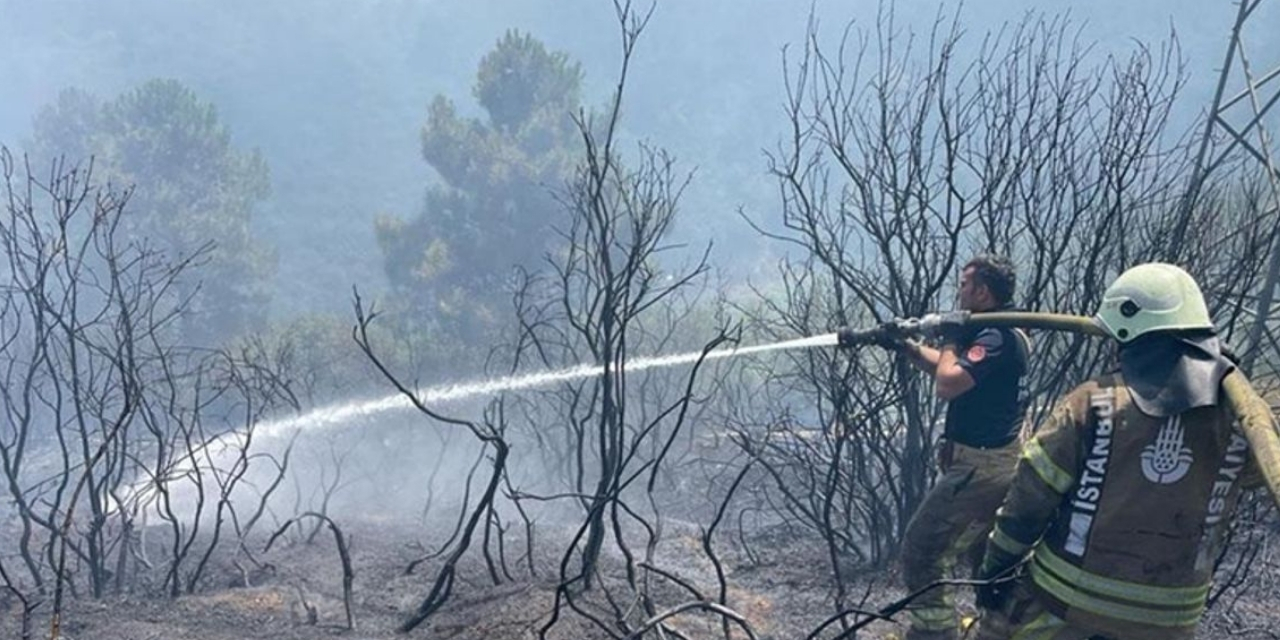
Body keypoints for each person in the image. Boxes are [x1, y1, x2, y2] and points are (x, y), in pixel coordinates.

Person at [974, 262, 1262, 640]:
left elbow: (1028, 502)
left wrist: (995, 569)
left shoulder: (1093, 403)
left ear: (1126, 332)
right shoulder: (1242, 418)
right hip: (1170, 621)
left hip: (1065, 606)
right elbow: (1260, 474)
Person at [876, 254, 1032, 640]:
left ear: (982, 291)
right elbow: (951, 371)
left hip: (981, 467)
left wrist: (950, 336)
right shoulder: (990, 333)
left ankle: (934, 634)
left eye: (964, 284)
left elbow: (947, 383)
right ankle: (998, 632)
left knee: (923, 549)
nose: (959, 291)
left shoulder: (996, 337)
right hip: (984, 463)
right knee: (987, 559)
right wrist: (906, 346)